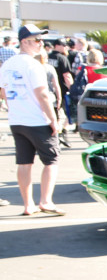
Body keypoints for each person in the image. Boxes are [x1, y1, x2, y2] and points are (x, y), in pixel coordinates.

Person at [0, 25, 64, 216]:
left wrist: (13, 107)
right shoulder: (33, 65)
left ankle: (28, 205)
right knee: (52, 160)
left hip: (17, 119)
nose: (40, 44)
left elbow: (3, 91)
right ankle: (46, 201)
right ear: (24, 42)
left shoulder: (8, 64)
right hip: (37, 120)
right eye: (37, 40)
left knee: (24, 162)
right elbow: (42, 94)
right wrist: (53, 120)